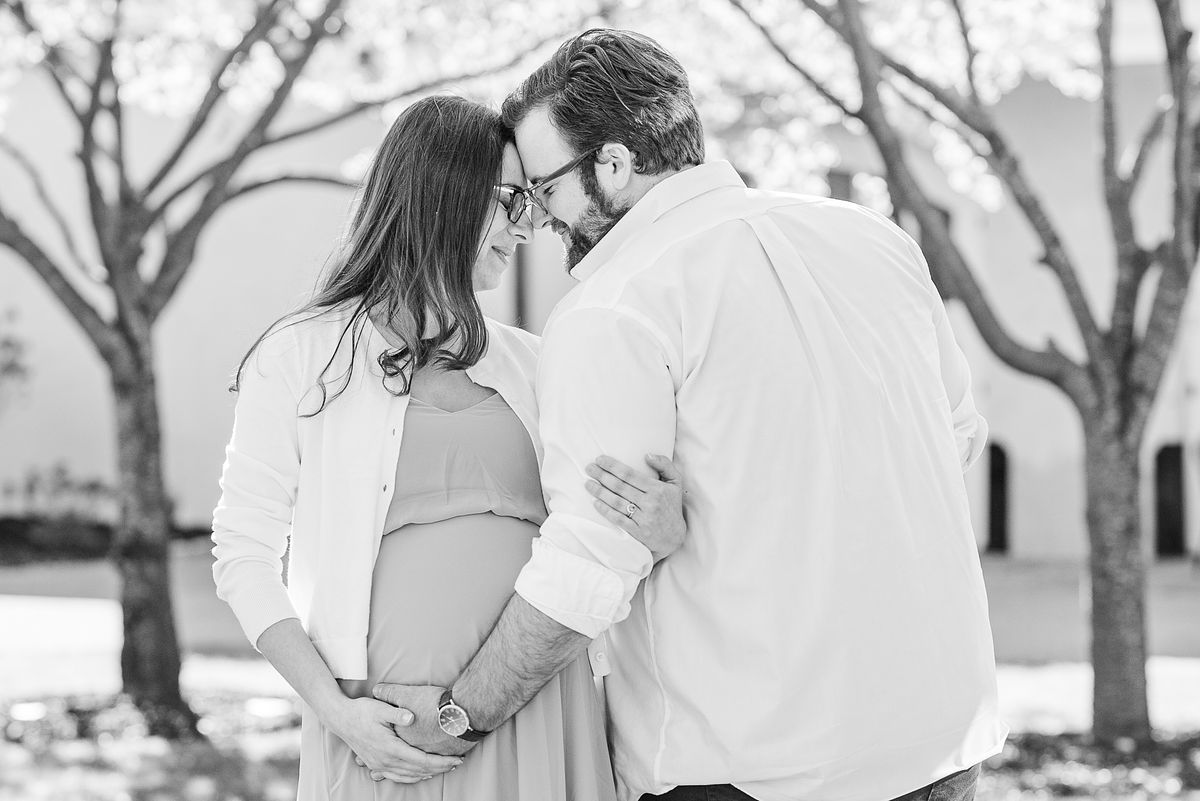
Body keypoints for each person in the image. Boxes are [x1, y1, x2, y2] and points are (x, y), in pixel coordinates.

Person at [374, 30, 1008, 801]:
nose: (536, 218)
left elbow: (588, 563)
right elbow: (957, 434)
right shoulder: (875, 241)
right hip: (940, 743)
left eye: (542, 188)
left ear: (612, 164)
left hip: (753, 767)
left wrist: (452, 719)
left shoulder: (616, 307)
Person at [210, 94, 687, 801]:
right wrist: (334, 710)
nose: (531, 226)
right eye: (512, 201)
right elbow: (242, 554)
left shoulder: (537, 361)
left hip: (540, 701)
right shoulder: (302, 355)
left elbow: (601, 536)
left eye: (535, 202)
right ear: (445, 194)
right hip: (385, 727)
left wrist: (664, 528)